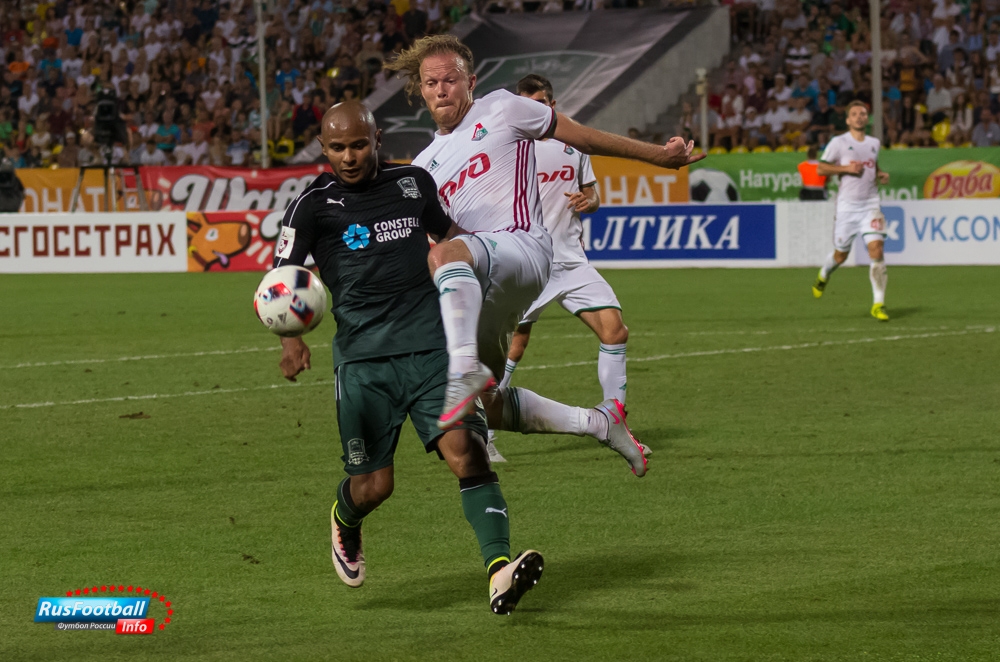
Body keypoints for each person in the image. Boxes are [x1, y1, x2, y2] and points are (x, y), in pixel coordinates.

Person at [385, 35, 702, 475]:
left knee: (446, 256)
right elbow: (439, 234)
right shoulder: (423, 166)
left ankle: (463, 367)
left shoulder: (502, 108)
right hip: (481, 280)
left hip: (524, 247)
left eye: (450, 80)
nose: (441, 90)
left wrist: (659, 157)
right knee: (484, 406)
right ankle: (599, 423)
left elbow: (584, 137)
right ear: (421, 90)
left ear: (471, 82)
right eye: (431, 82)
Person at [273, 101, 543, 615]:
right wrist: (292, 339)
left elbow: (452, 237)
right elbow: (281, 277)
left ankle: (499, 569)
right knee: (374, 486)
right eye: (337, 148)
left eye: (359, 145)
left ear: (377, 140)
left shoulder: (414, 184)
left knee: (468, 452)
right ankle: (346, 517)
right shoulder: (311, 205)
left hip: (432, 348)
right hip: (364, 363)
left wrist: (494, 271)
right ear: (323, 148)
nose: (349, 157)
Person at [487, 74, 640, 464]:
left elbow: (592, 194)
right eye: (529, 105)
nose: (536, 111)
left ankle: (616, 424)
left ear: (551, 105)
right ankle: (483, 432)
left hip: (571, 262)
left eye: (541, 104)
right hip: (528, 261)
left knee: (615, 330)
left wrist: (590, 202)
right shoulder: (511, 148)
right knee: (513, 345)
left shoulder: (574, 146)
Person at [811, 101, 891, 321]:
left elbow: (872, 165)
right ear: (847, 120)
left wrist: (880, 173)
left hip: (870, 205)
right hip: (847, 207)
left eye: (863, 113)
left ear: (867, 118)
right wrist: (845, 168)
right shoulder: (839, 142)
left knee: (876, 250)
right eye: (854, 114)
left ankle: (878, 304)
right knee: (841, 255)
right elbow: (821, 168)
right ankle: (824, 273)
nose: (859, 117)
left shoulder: (874, 143)